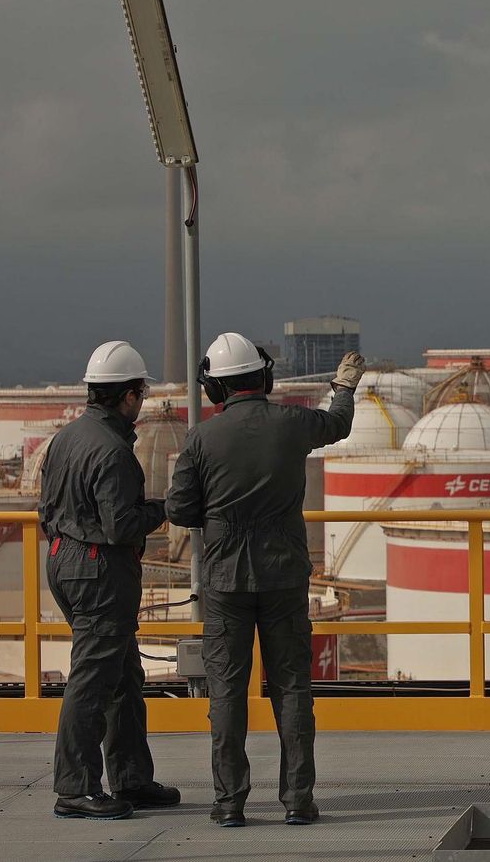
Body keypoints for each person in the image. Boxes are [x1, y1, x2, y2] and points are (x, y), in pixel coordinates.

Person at [166, 333, 363, 828]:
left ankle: (229, 803)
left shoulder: (201, 438)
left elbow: (180, 509)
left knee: (227, 691)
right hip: (284, 575)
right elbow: (338, 424)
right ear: (264, 378)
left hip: (225, 580)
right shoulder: (293, 423)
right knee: (292, 686)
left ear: (216, 388)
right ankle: (298, 800)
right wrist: (343, 388)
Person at [38, 340, 181, 820]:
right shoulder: (113, 451)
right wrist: (165, 509)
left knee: (123, 677)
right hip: (99, 570)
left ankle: (131, 779)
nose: (142, 401)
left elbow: (46, 509)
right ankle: (75, 787)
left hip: (65, 559)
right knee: (94, 680)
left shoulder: (67, 437)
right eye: (141, 393)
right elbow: (121, 525)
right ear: (128, 395)